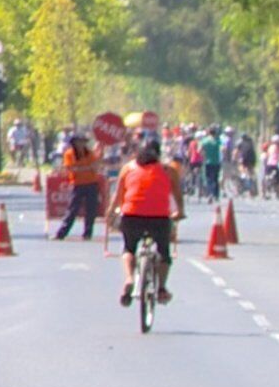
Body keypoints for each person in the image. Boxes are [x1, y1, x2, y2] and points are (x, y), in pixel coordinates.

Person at [111, 139, 185, 306]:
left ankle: (129, 279)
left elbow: (118, 195)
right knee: (164, 252)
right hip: (159, 217)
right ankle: (161, 288)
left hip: (131, 215)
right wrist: (179, 213)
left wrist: (111, 214)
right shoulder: (168, 170)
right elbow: (177, 196)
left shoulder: (128, 168)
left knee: (129, 248)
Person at [54, 129, 103, 240]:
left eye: (83, 142)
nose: (81, 144)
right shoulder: (69, 154)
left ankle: (87, 233)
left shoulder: (89, 153)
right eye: (79, 141)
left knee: (91, 210)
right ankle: (61, 233)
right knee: (72, 210)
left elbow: (95, 166)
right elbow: (70, 168)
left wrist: (83, 168)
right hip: (78, 184)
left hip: (91, 183)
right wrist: (87, 168)